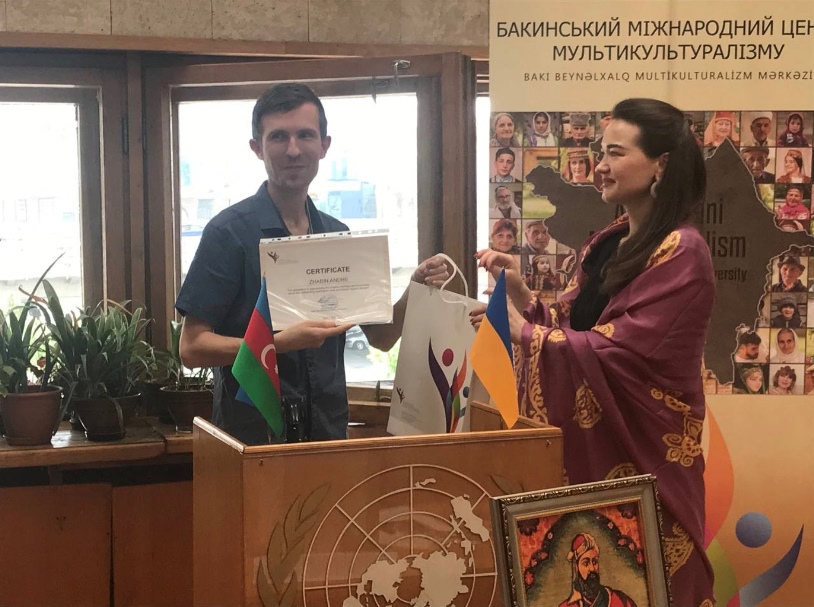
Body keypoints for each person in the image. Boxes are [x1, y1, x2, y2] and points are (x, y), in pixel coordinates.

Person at [473, 98, 715, 605]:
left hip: (646, 454)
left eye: (614, 153)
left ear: (661, 165)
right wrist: (522, 297)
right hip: (595, 455)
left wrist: (524, 334)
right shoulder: (611, 241)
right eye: (600, 152)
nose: (599, 166)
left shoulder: (683, 251)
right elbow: (574, 323)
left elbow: (622, 351)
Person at [175, 83, 449, 445]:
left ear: (324, 145)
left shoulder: (339, 237)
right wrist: (277, 344)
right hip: (252, 443)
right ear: (257, 148)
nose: (293, 149)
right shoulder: (228, 234)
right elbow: (192, 348)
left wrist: (416, 286)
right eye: (278, 137)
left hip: (327, 437)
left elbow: (381, 339)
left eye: (305, 135)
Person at [559, 533, 637, 607]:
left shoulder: (621, 600)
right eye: (586, 563)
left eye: (594, 562)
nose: (592, 568)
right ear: (576, 568)